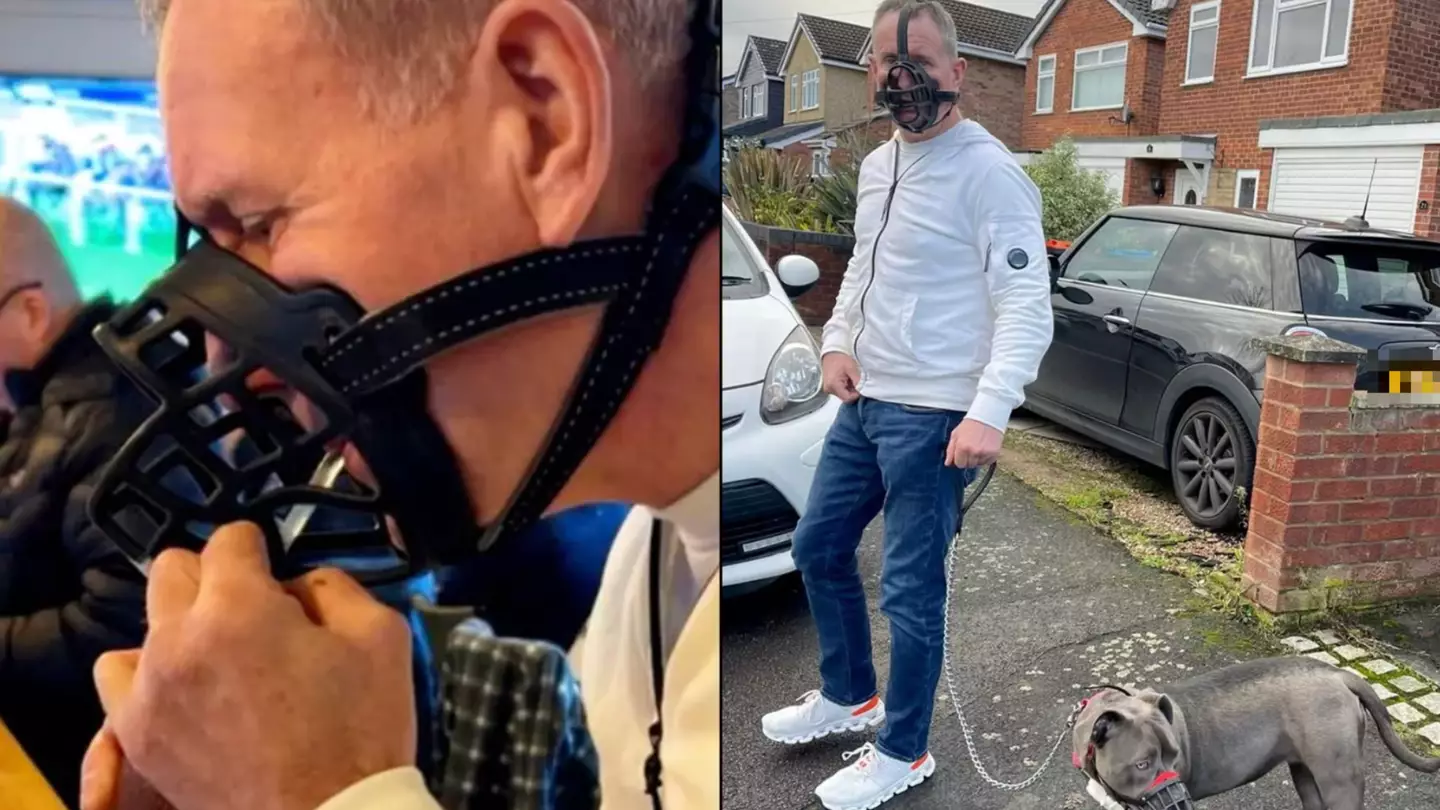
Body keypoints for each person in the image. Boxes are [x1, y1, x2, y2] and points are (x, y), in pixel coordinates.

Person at [77, 1, 718, 809]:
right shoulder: (651, 570)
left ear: (545, 121)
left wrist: (317, 792)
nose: (221, 349)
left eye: (256, 224)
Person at [757, 2, 1054, 808]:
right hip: (865, 403)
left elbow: (1028, 305)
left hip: (935, 418)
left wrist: (989, 411)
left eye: (919, 59)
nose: (903, 77)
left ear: (959, 72)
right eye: (889, 63)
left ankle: (903, 751)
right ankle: (850, 696)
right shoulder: (877, 165)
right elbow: (863, 272)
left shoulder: (992, 173)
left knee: (911, 590)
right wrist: (837, 342)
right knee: (818, 547)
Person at [0, 197, 148, 806]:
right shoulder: (53, 398)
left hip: (73, 769)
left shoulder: (114, 412)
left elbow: (117, 631)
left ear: (32, 311)